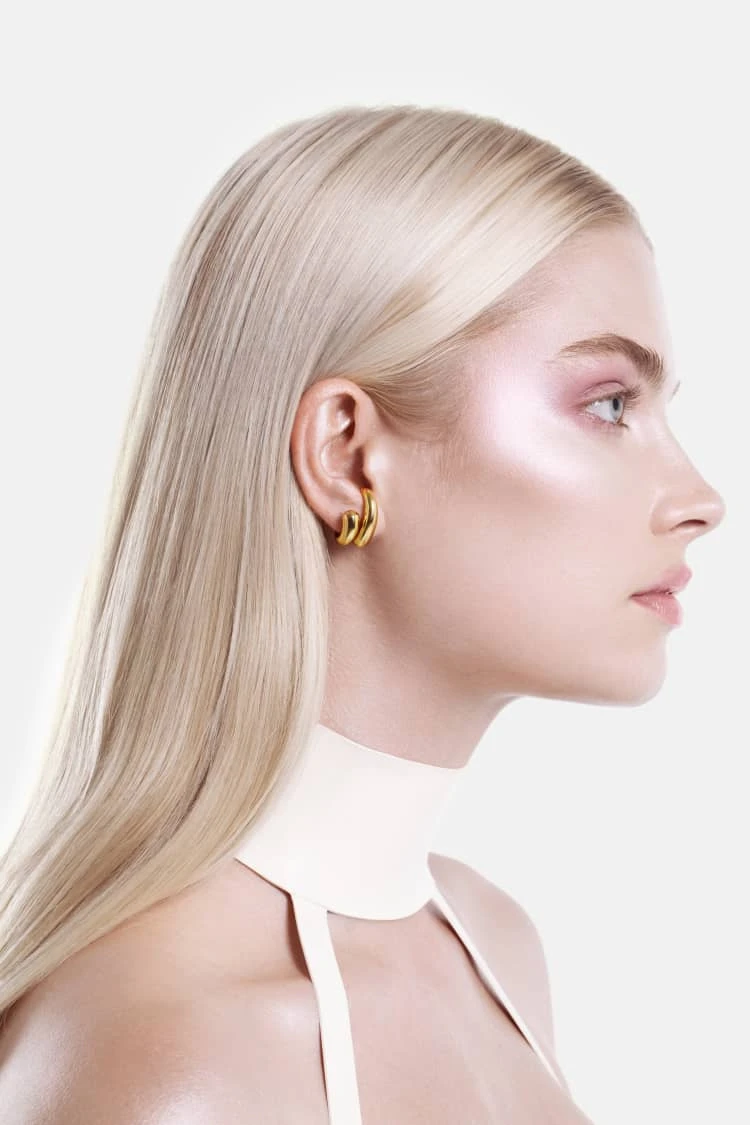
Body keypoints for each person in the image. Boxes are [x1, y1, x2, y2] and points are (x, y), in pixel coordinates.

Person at [0, 104, 725, 1123]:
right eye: (609, 404)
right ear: (346, 453)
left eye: (660, 409)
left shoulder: (494, 947)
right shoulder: (174, 1064)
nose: (701, 498)